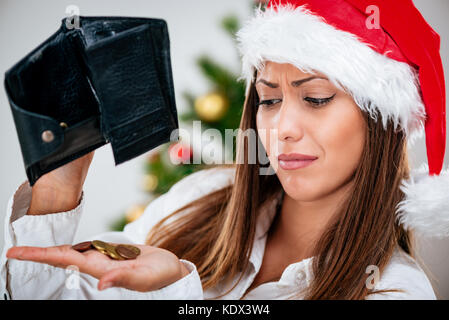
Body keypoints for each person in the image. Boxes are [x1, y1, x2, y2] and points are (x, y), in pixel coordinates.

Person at [1, 0, 448, 300]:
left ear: (382, 120)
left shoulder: (394, 291)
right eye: (269, 99)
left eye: (315, 98)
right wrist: (58, 189)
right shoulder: (199, 198)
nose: (282, 129)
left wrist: (178, 289)